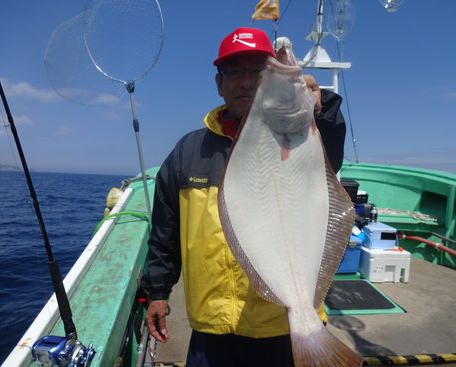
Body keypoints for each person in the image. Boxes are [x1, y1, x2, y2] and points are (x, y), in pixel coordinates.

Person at [141, 27, 346, 366]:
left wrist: (320, 108)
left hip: (280, 328)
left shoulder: (303, 132)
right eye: (235, 72)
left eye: (258, 72)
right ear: (219, 83)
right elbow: (165, 231)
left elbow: (329, 156)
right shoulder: (188, 151)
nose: (247, 82)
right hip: (212, 329)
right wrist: (158, 293)